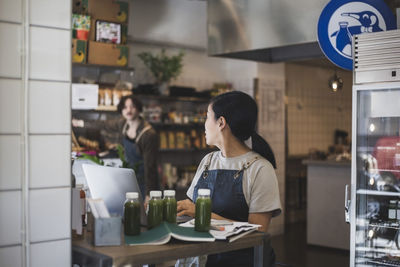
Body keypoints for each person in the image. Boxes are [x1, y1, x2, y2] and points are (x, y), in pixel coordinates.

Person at [177, 91, 281, 267]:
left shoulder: (260, 169)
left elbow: (258, 232)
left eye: (207, 117)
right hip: (202, 257)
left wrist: (202, 215)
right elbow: (191, 211)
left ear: (221, 122)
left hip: (240, 261)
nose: (204, 125)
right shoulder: (208, 161)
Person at [72, 95, 159, 200]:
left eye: (132, 106)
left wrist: (149, 194)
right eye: (125, 107)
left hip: (146, 182)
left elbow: (151, 168)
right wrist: (80, 123)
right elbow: (103, 125)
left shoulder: (148, 134)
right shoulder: (123, 124)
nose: (129, 110)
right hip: (130, 178)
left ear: (138, 108)